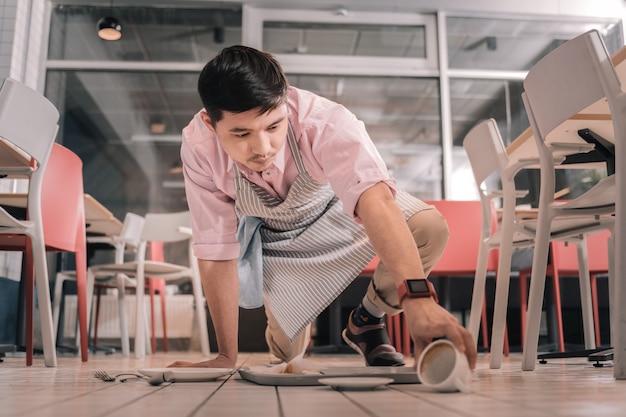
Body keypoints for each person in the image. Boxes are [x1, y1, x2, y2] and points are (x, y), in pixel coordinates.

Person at [169, 45, 476, 370]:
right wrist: (225, 357)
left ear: (285, 103)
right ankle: (294, 325)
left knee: (428, 228)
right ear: (209, 123)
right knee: (287, 356)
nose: (261, 148)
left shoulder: (324, 120)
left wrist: (417, 299)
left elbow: (374, 199)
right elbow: (216, 248)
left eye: (273, 127)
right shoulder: (198, 147)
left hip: (338, 212)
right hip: (279, 242)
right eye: (241, 133)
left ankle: (367, 320)